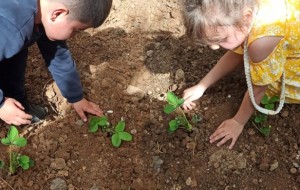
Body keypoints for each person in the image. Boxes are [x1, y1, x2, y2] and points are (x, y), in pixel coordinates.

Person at [182, 0, 300, 149]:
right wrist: (202, 86)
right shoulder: (244, 9)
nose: (214, 47)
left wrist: (238, 121)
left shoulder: (260, 45)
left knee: (271, 85)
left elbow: (259, 89)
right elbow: (237, 52)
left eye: (221, 39)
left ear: (246, 18)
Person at [0, 0, 112, 125]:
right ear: (58, 14)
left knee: (16, 52)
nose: (74, 36)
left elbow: (58, 55)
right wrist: (1, 105)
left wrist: (76, 97)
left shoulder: (44, 12)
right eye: (76, 30)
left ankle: (15, 99)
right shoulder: (12, 26)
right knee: (15, 43)